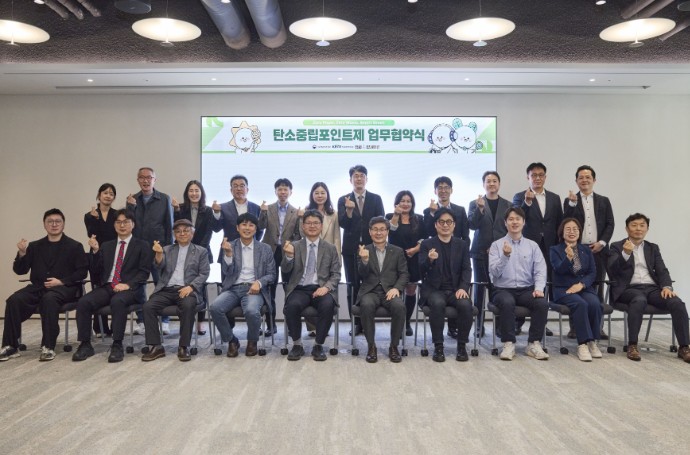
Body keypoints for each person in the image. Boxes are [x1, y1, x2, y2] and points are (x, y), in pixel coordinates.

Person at [1, 209, 88, 362]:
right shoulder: (34, 246)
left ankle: (48, 346)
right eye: (50, 221)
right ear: (44, 224)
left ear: (63, 224)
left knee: (49, 300)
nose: (54, 224)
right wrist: (22, 253)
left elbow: (82, 272)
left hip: (64, 288)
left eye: (58, 221)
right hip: (38, 287)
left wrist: (61, 281)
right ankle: (10, 345)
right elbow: (20, 270)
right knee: (14, 300)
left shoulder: (74, 246)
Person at [608, 213, 690, 363]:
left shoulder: (653, 248)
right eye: (634, 225)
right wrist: (625, 254)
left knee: (677, 302)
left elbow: (662, 270)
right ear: (627, 229)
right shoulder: (616, 246)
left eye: (642, 225)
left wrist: (667, 286)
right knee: (639, 300)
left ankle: (684, 347)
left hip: (652, 288)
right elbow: (612, 271)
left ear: (647, 229)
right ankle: (632, 345)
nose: (638, 229)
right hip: (628, 289)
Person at [73, 209, 152, 363]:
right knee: (83, 302)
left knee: (118, 301)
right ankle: (85, 344)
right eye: (118, 222)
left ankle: (117, 344)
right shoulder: (106, 246)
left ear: (133, 224)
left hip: (131, 289)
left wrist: (127, 284)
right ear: (114, 225)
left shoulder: (142, 245)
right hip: (108, 286)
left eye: (126, 222)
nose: (122, 225)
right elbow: (96, 271)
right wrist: (95, 251)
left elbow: (144, 273)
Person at [141, 219, 210, 362]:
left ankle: (183, 346)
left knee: (188, 305)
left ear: (192, 233)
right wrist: (158, 254)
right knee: (148, 306)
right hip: (166, 289)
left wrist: (191, 287)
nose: (182, 234)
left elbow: (204, 273)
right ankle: (156, 346)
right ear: (174, 235)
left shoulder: (201, 251)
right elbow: (159, 266)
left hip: (188, 289)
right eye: (178, 231)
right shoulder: (167, 249)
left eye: (186, 231)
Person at [209, 213, 275, 357]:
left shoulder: (265, 249)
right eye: (244, 225)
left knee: (251, 311)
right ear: (237, 228)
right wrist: (228, 254)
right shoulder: (229, 246)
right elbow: (226, 272)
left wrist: (259, 282)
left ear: (256, 229)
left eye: (251, 225)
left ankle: (252, 341)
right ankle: (231, 340)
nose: (247, 228)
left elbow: (272, 274)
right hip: (233, 288)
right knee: (215, 308)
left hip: (254, 289)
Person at [488, 207, 549, 361]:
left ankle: (533, 343)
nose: (514, 222)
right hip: (502, 289)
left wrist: (538, 288)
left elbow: (540, 269)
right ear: (505, 223)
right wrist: (505, 256)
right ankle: (508, 343)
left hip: (526, 289)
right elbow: (494, 273)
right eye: (511, 219)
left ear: (523, 222)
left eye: (518, 219)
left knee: (542, 303)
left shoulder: (532, 246)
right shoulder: (496, 245)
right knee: (507, 302)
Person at [563, 165, 614, 339]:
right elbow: (566, 222)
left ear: (594, 180)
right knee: (575, 287)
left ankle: (598, 327)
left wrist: (602, 242)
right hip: (577, 250)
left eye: (588, 177)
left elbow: (610, 224)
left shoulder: (604, 201)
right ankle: (575, 327)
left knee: (597, 287)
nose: (584, 180)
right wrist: (572, 204)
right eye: (581, 178)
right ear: (576, 181)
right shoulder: (570, 200)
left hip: (598, 250)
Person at [283, 210, 340, 361]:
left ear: (321, 226)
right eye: (308, 223)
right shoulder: (294, 246)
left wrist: (326, 287)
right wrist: (288, 257)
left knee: (328, 305)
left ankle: (318, 345)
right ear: (303, 226)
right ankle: (297, 345)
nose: (312, 226)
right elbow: (285, 271)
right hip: (300, 288)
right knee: (292, 305)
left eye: (316, 223)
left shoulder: (330, 248)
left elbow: (336, 274)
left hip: (321, 288)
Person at [512, 162, 562, 336]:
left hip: (549, 246)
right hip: (525, 247)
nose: (537, 178)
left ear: (545, 177)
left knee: (544, 282)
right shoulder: (519, 196)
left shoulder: (555, 198)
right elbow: (515, 218)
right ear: (528, 177)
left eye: (541, 175)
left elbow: (559, 222)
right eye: (534, 175)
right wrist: (527, 202)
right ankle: (517, 322)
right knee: (524, 282)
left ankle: (541, 322)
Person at [419, 208, 474, 362]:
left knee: (465, 304)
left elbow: (467, 269)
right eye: (441, 222)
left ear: (454, 225)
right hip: (434, 290)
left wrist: (463, 287)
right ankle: (438, 346)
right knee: (437, 303)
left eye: (449, 222)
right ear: (435, 225)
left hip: (456, 289)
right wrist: (430, 260)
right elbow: (420, 270)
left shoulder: (462, 245)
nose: (445, 225)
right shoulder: (427, 244)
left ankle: (462, 346)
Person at [337, 165, 384, 336]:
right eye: (355, 176)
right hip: (351, 249)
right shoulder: (343, 199)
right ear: (350, 180)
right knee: (353, 286)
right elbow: (343, 223)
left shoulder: (376, 198)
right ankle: (356, 323)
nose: (359, 179)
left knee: (371, 284)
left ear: (366, 179)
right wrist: (349, 210)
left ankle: (368, 321)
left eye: (362, 175)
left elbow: (381, 221)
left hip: (372, 248)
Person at [126, 167, 174, 335]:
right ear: (137, 180)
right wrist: (130, 207)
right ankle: (141, 321)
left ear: (154, 180)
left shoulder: (164, 198)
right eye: (142, 177)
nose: (145, 180)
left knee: (162, 284)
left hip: (158, 249)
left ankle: (164, 320)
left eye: (149, 177)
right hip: (138, 251)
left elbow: (169, 225)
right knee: (138, 286)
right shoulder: (132, 199)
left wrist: (168, 250)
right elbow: (128, 225)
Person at [356, 217, 409, 363]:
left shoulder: (397, 251)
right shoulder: (364, 250)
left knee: (399, 306)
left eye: (382, 229)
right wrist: (364, 260)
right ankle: (371, 346)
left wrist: (397, 288)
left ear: (387, 231)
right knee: (366, 305)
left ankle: (394, 346)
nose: (378, 233)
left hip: (390, 291)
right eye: (375, 229)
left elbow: (404, 274)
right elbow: (361, 274)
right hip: (370, 291)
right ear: (370, 231)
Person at [423, 176, 470, 339]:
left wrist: (463, 250)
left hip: (456, 253)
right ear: (435, 191)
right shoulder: (429, 211)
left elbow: (465, 233)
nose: (443, 190)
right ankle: (438, 344)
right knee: (438, 301)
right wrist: (432, 213)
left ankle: (458, 337)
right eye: (440, 188)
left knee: (463, 301)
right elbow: (427, 231)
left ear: (451, 190)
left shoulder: (460, 210)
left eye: (446, 187)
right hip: (437, 258)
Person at [550, 218, 603, 362]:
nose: (572, 232)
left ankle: (592, 341)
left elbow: (592, 272)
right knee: (581, 304)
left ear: (579, 232)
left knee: (594, 303)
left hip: (583, 288)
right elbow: (558, 270)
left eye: (575, 229)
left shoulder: (586, 250)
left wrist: (581, 284)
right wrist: (568, 258)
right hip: (563, 289)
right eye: (568, 229)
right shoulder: (555, 250)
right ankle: (582, 344)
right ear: (562, 232)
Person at [467, 171, 510, 338]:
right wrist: (479, 209)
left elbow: (510, 229)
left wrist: (498, 248)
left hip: (500, 254)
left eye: (494, 181)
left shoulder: (507, 205)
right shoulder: (475, 203)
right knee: (479, 289)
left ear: (499, 183)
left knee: (497, 289)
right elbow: (472, 225)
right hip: (479, 253)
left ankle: (499, 326)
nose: (491, 184)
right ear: (483, 184)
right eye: (488, 181)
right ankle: (479, 326)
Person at [258, 178, 301, 336]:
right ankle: (271, 325)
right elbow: (260, 226)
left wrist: (301, 219)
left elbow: (299, 235)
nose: (283, 192)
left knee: (289, 289)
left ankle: (290, 325)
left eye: (285, 189)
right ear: (275, 191)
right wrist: (262, 212)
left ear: (290, 192)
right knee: (269, 289)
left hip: (288, 252)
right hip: (270, 252)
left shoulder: (296, 212)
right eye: (280, 189)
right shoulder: (267, 208)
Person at [173, 180, 214, 335]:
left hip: (202, 251)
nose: (194, 193)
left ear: (201, 193)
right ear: (187, 193)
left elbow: (209, 232)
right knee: (182, 284)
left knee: (200, 286)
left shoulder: (208, 210)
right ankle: (185, 321)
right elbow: (177, 228)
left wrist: (198, 250)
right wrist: (176, 211)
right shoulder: (180, 208)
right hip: (182, 251)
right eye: (191, 190)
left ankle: (201, 321)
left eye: (197, 190)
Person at [302, 182, 341, 336]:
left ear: (327, 195)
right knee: (309, 288)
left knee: (326, 291)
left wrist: (338, 257)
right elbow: (302, 234)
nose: (319, 195)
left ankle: (324, 327)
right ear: (312, 195)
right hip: (310, 254)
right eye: (316, 192)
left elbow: (337, 237)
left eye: (322, 193)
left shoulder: (334, 214)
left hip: (328, 256)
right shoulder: (305, 211)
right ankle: (312, 328)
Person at [386, 190, 426, 336]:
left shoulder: (419, 218)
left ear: (412, 204)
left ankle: (407, 322)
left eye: (408, 201)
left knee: (410, 291)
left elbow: (424, 238)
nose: (405, 204)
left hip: (413, 258)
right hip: (395, 260)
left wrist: (416, 249)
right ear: (397, 203)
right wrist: (396, 215)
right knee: (397, 291)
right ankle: (397, 321)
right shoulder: (389, 217)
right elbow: (390, 232)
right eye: (402, 201)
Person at [84, 183, 118, 337]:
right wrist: (95, 219)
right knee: (97, 289)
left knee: (114, 288)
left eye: (111, 194)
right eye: (105, 193)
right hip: (96, 254)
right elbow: (91, 234)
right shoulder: (89, 215)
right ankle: (99, 328)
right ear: (99, 195)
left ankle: (115, 326)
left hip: (114, 254)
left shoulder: (117, 215)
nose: (108, 196)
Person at [212, 174, 263, 261]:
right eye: (235, 186)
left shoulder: (256, 208)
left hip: (251, 251)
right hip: (229, 250)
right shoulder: (223, 208)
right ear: (231, 190)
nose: (239, 189)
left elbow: (259, 230)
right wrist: (216, 213)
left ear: (247, 189)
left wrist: (251, 242)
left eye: (242, 186)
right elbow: (216, 229)